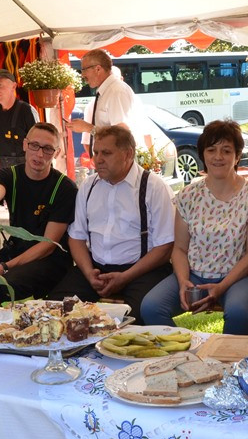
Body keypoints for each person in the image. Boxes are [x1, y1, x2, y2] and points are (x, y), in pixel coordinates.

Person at [140, 121, 248, 335]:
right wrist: (183, 281)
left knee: (237, 312)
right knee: (151, 307)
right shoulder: (189, 195)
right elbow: (179, 249)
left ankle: (231, 364)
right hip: (195, 275)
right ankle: (187, 355)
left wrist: (221, 287)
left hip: (240, 277)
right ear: (202, 154)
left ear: (237, 155)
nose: (218, 157)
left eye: (226, 151)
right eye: (211, 150)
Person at [47, 125, 175, 321]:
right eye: (96, 152)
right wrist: (89, 273)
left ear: (128, 154)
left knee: (136, 320)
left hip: (142, 269)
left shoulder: (154, 187)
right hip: (96, 268)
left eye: (106, 153)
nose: (98, 159)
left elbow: (165, 247)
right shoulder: (89, 186)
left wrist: (125, 277)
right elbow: (76, 237)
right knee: (56, 309)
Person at [0, 122, 77, 300]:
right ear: (24, 144)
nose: (39, 154)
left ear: (57, 153)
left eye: (47, 149)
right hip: (14, 252)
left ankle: (7, 323)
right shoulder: (9, 175)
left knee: (8, 285)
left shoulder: (65, 188)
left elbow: (47, 245)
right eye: (34, 145)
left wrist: (4, 267)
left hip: (50, 260)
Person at [0, 69, 38, 170]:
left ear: (14, 86)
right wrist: (0, 146)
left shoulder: (26, 110)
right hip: (4, 165)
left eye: (0, 85)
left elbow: (40, 139)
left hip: (28, 165)